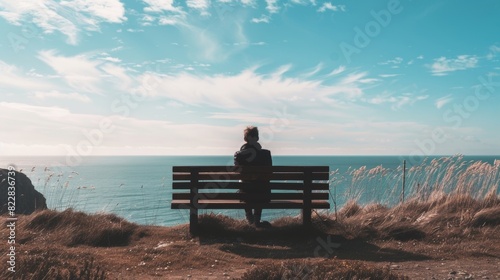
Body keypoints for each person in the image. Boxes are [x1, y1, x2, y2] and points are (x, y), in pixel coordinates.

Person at [234, 126, 272, 228]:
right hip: (263, 194)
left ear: (245, 138)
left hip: (245, 193)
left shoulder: (238, 155)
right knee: (261, 184)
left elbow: (237, 172)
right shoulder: (266, 154)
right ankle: (256, 220)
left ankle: (250, 219)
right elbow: (269, 174)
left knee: (244, 183)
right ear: (257, 137)